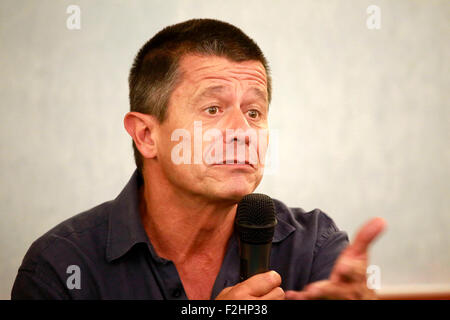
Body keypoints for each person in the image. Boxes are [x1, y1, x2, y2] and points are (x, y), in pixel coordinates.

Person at [11, 18, 385, 300]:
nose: (242, 131)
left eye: (254, 112)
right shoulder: (63, 267)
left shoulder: (314, 247)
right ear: (146, 135)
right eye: (212, 108)